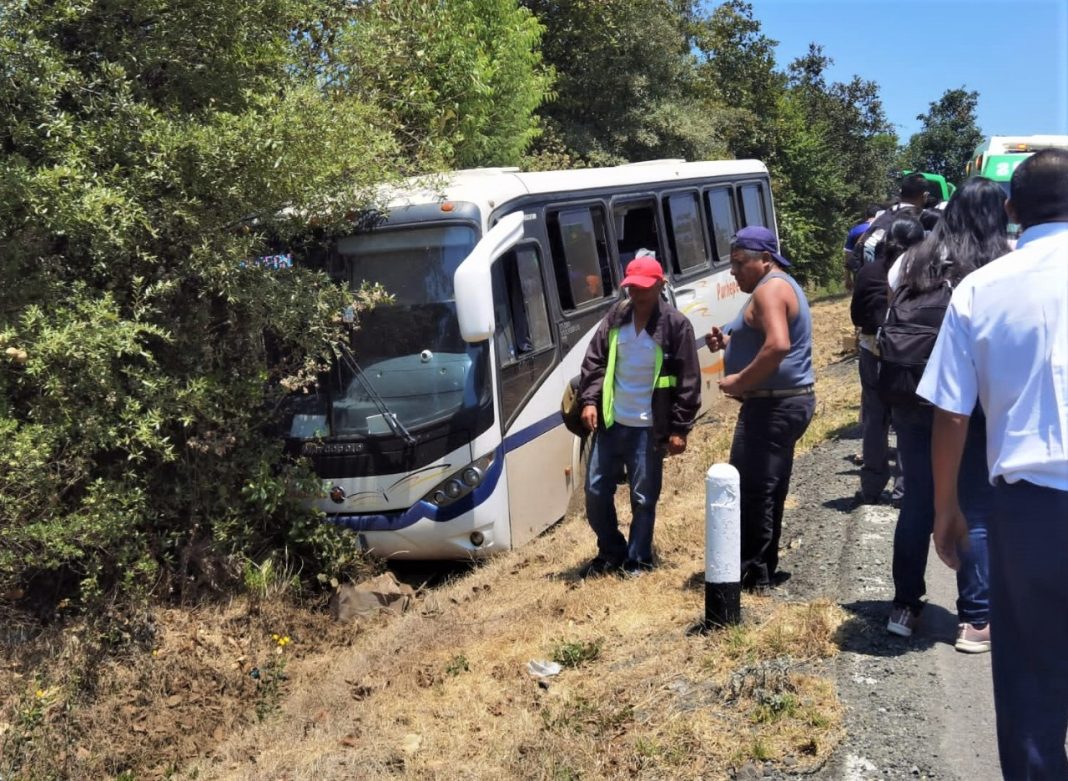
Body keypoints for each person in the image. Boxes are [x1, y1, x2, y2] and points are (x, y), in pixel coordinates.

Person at [920, 149, 1068, 777]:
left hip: (1029, 510)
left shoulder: (981, 288)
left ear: (1012, 210)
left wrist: (946, 507)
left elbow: (951, 414)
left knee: (1031, 678)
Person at [882, 177, 1011, 651]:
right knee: (972, 500)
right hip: (974, 400)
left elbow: (886, 313)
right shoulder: (1002, 264)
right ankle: (975, 620)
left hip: (913, 395)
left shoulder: (912, 258)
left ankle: (904, 608)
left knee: (917, 499)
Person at [704, 227, 815, 592]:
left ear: (765, 259)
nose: (733, 272)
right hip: (782, 403)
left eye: (739, 263)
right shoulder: (777, 286)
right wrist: (730, 341)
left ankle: (754, 573)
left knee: (753, 490)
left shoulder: (770, 290)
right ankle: (761, 565)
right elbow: (765, 337)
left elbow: (778, 345)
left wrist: (739, 382)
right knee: (767, 486)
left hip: (773, 405)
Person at [577, 256, 701, 577]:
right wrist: (590, 401)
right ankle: (611, 550)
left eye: (643, 288)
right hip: (612, 422)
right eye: (631, 287)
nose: (636, 293)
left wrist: (679, 428)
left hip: (648, 429)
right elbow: (594, 362)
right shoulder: (616, 317)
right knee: (594, 491)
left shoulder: (676, 326)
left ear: (660, 285)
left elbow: (689, 382)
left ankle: (638, 560)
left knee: (643, 498)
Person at [849, 216, 924, 505]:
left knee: (874, 418)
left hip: (873, 352)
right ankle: (904, 489)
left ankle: (871, 486)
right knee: (907, 419)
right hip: (911, 356)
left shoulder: (869, 272)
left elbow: (857, 316)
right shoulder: (922, 272)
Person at [846, 173, 931, 279]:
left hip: (866, 282)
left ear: (900, 193)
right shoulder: (922, 218)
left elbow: (859, 246)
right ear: (925, 196)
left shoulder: (882, 216)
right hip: (894, 286)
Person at [842, 204, 880, 290]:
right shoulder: (885, 227)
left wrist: (847, 277)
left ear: (866, 215)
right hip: (881, 272)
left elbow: (848, 255)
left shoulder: (855, 230)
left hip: (860, 273)